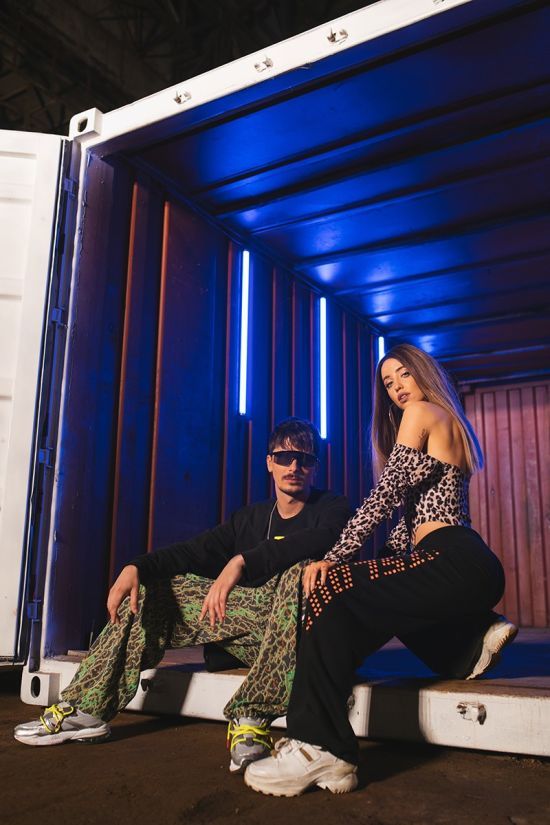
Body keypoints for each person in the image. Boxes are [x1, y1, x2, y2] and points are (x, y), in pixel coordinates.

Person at [244, 344, 517, 797]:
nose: (397, 389)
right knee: (374, 594)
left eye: (404, 374)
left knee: (329, 586)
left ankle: (319, 745)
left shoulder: (422, 413)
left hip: (450, 557)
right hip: (464, 563)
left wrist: (336, 557)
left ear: (424, 373)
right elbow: (406, 527)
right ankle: (468, 645)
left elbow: (384, 497)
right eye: (388, 384)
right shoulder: (449, 423)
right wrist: (369, 568)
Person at [14, 417, 351, 772]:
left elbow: (321, 539)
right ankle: (85, 710)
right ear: (269, 463)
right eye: (284, 458)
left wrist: (241, 562)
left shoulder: (334, 509)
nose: (294, 467)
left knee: (300, 572)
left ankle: (251, 717)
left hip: (299, 638)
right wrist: (137, 567)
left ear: (315, 467)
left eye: (304, 459)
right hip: (249, 632)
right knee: (151, 592)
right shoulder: (249, 519)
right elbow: (193, 551)